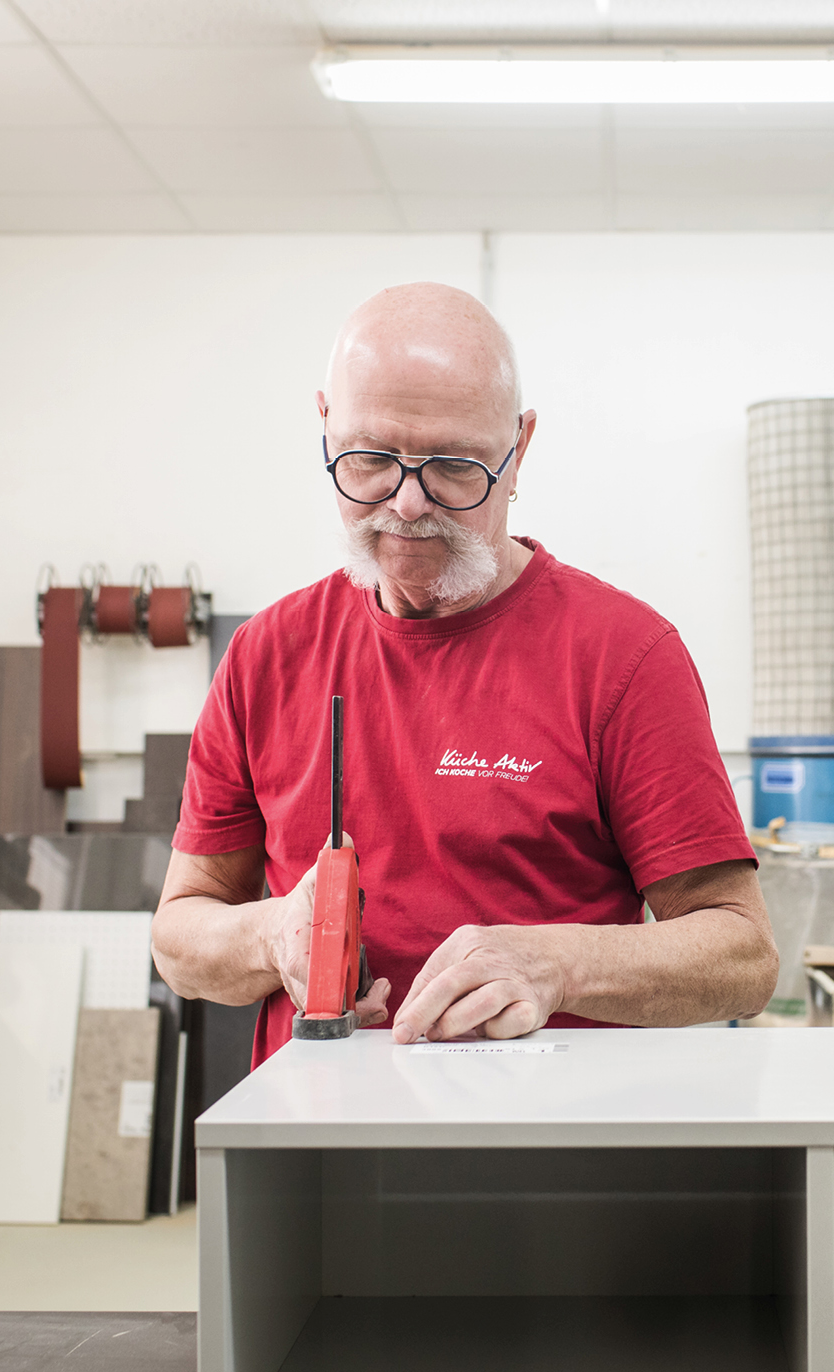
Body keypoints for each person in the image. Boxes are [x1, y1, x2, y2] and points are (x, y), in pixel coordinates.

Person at [151, 283, 777, 1064]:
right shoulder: (264, 656)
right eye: (371, 459)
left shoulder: (624, 656)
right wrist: (273, 932)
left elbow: (742, 957)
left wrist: (555, 965)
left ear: (520, 449)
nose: (408, 505)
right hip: (315, 1147)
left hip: (551, 1155)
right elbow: (179, 936)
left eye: (453, 467)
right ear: (324, 427)